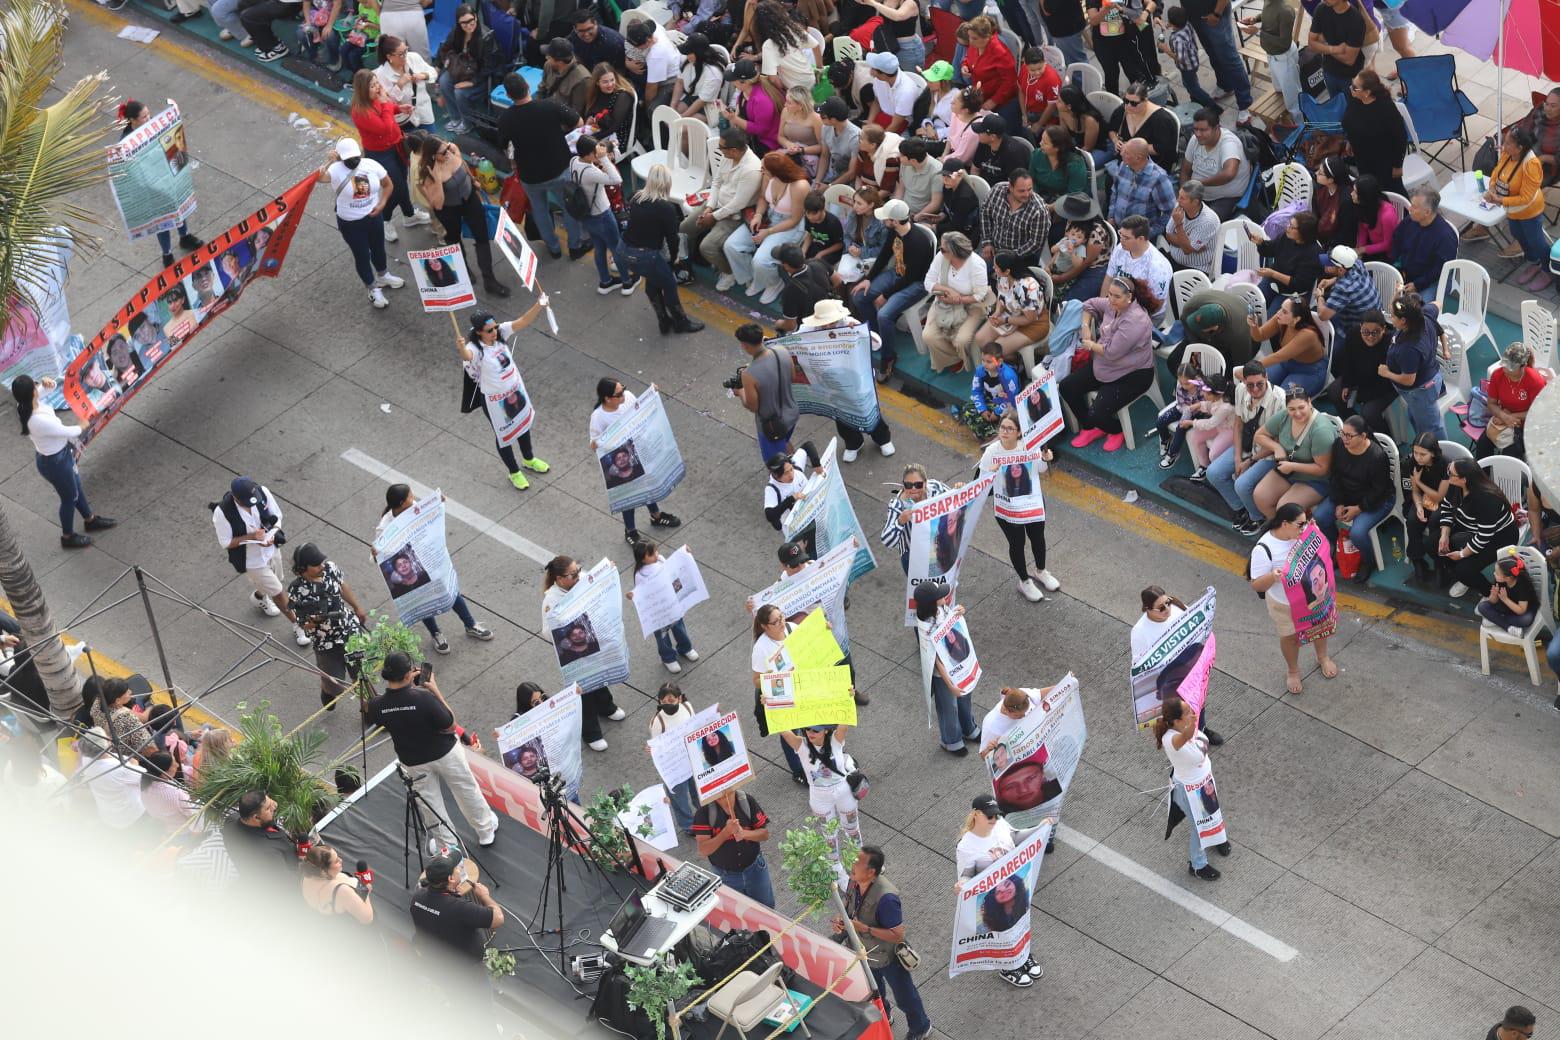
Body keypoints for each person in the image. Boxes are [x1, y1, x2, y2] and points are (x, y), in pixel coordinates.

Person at [366, 651, 499, 849]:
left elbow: (382, 720)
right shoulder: (424, 698)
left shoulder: (376, 705)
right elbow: (450, 723)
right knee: (465, 789)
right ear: (407, 675)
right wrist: (434, 689)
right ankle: (485, 829)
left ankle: (449, 846)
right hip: (444, 752)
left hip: (412, 760)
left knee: (430, 804)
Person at [374, 484, 494, 652]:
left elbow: (430, 515)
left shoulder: (414, 507)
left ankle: (470, 624)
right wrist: (377, 552)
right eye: (410, 496)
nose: (413, 498)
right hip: (413, 570)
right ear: (401, 503)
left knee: (451, 592)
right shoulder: (384, 527)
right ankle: (436, 634)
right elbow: (380, 556)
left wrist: (438, 503)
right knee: (424, 600)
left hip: (430, 561)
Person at [836, 846, 932, 1040]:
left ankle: (921, 1027)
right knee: (875, 991)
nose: (851, 865)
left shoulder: (887, 898)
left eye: (857, 862)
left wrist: (864, 928)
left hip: (888, 956)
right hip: (865, 952)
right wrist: (842, 921)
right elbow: (848, 906)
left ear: (871, 871)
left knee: (905, 997)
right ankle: (884, 1015)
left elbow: (897, 935)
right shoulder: (854, 883)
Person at [455, 306, 553, 489]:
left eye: (495, 327)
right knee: (504, 435)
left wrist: (539, 305)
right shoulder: (475, 349)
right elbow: (467, 356)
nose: (494, 332)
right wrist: (461, 348)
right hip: (496, 402)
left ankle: (529, 459)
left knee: (523, 425)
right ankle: (514, 472)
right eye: (489, 330)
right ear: (478, 332)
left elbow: (523, 320)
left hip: (516, 392)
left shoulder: (500, 333)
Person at [11, 375, 114, 549]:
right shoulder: (37, 420)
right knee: (69, 498)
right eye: (35, 386)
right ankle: (68, 537)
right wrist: (82, 425)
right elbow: (66, 431)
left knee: (77, 488)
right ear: (32, 393)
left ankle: (90, 519)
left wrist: (48, 386)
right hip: (56, 463)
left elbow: (43, 393)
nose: (38, 387)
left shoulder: (26, 405)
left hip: (60, 457)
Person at [956, 794, 1046, 987]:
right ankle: (1008, 966)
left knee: (1020, 922)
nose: (994, 820)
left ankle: (1023, 956)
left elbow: (1015, 837)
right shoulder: (966, 846)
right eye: (989, 816)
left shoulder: (1000, 825)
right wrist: (962, 883)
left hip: (1013, 886)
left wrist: (1040, 828)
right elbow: (967, 873)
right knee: (1002, 930)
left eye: (996, 815)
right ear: (976, 815)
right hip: (993, 896)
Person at [1249, 502, 1338, 693]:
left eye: (1306, 523)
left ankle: (1322, 656)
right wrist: (1273, 576)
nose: (1304, 528)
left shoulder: (1303, 534)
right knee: (1289, 638)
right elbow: (1256, 584)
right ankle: (1293, 671)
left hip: (1312, 597)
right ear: (1284, 524)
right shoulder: (1264, 549)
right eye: (1300, 524)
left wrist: (1313, 531)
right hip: (1284, 604)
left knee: (1320, 626)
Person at [496, 72, 585, 262]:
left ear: (509, 95)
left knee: (540, 210)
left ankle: (553, 248)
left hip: (530, 174)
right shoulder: (549, 105)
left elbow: (505, 145)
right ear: (528, 86)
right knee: (569, 207)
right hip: (559, 168)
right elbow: (579, 122)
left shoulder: (505, 118)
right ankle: (575, 245)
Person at [794, 301, 899, 461]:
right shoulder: (807, 330)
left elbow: (877, 344)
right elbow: (792, 342)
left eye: (832, 322)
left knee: (867, 410)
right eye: (824, 323)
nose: (829, 325)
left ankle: (883, 439)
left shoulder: (849, 323)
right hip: (829, 382)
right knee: (841, 415)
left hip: (856, 380)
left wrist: (858, 332)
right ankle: (853, 444)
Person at [542, 555, 626, 751]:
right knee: (584, 692)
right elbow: (547, 631)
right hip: (573, 655)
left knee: (599, 677)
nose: (578, 576)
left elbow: (598, 580)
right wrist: (566, 624)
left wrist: (608, 571)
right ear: (559, 578)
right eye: (573, 574)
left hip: (592, 644)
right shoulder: (551, 600)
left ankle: (606, 707)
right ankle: (590, 733)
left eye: (578, 570)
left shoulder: (581, 580)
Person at [1064, 275, 1158, 453]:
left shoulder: (1135, 320)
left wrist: (1090, 344)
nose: (1111, 300)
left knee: (1098, 411)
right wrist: (1085, 327)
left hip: (1133, 374)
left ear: (1129, 297)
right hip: (1104, 365)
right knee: (1068, 387)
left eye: (1116, 296)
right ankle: (1091, 426)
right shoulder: (1112, 304)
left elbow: (1112, 353)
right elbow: (1089, 304)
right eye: (1109, 295)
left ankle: (1116, 430)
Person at [211, 476, 307, 645]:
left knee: (278, 580)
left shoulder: (263, 492)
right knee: (278, 591)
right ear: (235, 498)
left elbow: (277, 516)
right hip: (252, 561)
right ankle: (298, 625)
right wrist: (252, 537)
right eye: (247, 502)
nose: (252, 505)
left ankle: (259, 597)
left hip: (271, 549)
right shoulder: (222, 512)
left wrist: (270, 535)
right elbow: (226, 542)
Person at [848, 198, 934, 382]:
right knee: (859, 296)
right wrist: (868, 280)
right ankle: (879, 334)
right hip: (897, 274)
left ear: (895, 221)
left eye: (886, 219)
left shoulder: (919, 242)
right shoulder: (893, 232)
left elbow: (911, 277)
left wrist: (885, 295)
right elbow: (884, 256)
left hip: (915, 284)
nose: (883, 221)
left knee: (884, 314)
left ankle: (888, 358)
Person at [415, 135, 511, 297]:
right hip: (448, 209)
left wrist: (473, 180)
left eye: (447, 147)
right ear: (433, 156)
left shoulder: (451, 151)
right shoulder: (428, 173)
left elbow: (463, 164)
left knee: (482, 238)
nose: (448, 152)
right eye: (443, 152)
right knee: (454, 239)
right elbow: (437, 204)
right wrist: (438, 180)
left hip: (469, 199)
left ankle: (489, 280)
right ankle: (464, 269)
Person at [317, 138, 406, 310]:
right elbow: (318, 177)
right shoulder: (335, 170)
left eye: (355, 157)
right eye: (348, 159)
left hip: (373, 217)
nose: (353, 161)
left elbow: (387, 184)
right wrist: (329, 161)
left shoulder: (371, 164)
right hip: (351, 223)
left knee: (379, 248)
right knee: (362, 254)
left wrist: (382, 203)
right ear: (341, 158)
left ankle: (383, 275)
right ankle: (372, 288)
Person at [979, 413, 1059, 601]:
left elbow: (1040, 469)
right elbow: (981, 485)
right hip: (1007, 507)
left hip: (1031, 502)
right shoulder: (992, 452)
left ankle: (1041, 571)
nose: (1004, 432)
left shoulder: (1029, 446)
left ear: (1019, 433)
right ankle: (1024, 581)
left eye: (1009, 429)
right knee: (1017, 543)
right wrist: (989, 473)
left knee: (1037, 537)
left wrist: (1046, 458)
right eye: (1002, 427)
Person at [590, 380, 682, 539]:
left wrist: (652, 395)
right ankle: (630, 531)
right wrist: (602, 441)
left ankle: (656, 515)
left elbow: (641, 410)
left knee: (647, 484)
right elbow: (593, 444)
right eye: (618, 394)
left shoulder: (629, 397)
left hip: (639, 452)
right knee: (629, 495)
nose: (623, 395)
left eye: (623, 389)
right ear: (607, 398)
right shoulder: (598, 417)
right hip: (621, 462)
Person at [118, 101, 204, 268]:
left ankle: (184, 236)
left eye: (149, 114)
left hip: (165, 177)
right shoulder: (125, 143)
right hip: (149, 186)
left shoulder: (153, 127)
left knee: (178, 207)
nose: (149, 118)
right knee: (162, 219)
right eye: (144, 117)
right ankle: (167, 253)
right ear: (132, 120)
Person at [622, 165, 706, 334]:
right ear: (667, 183)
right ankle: (680, 323)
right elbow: (672, 238)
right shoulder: (665, 208)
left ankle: (664, 321)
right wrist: (674, 258)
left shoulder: (635, 197)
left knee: (653, 281)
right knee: (668, 284)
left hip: (625, 250)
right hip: (646, 255)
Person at [1153, 695, 1231, 879]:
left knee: (1213, 813)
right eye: (1188, 712)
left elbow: (1192, 734)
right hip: (1190, 791)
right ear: (1177, 720)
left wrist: (1191, 718)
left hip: (1204, 782)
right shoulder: (1171, 740)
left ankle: (1218, 838)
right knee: (1200, 827)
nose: (1193, 713)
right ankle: (1197, 865)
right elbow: (1187, 736)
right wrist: (1192, 723)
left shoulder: (1186, 726)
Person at [350, 71, 430, 245]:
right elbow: (384, 127)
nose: (377, 87)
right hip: (380, 153)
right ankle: (384, 219)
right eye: (372, 86)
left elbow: (387, 109)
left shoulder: (376, 98)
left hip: (396, 145)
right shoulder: (360, 112)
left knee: (401, 181)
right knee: (395, 188)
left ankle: (409, 215)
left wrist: (398, 108)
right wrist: (387, 104)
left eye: (377, 83)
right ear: (363, 89)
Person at [284, 542, 367, 708]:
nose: (322, 566)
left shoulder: (330, 568)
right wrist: (314, 621)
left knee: (360, 674)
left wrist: (358, 608)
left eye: (322, 562)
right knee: (335, 684)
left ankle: (368, 708)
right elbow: (302, 624)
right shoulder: (296, 590)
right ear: (303, 568)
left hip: (348, 631)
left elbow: (343, 587)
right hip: (326, 643)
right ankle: (327, 689)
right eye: (316, 565)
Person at [683, 128, 764, 289]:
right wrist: (709, 208)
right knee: (685, 228)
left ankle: (728, 273)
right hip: (715, 205)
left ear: (733, 150)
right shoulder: (728, 156)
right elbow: (716, 182)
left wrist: (713, 216)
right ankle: (686, 262)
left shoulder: (751, 169)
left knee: (708, 247)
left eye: (721, 147)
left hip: (734, 215)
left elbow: (738, 204)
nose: (719, 150)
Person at [1314, 416, 1392, 583]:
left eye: (1349, 436)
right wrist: (1339, 502)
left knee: (1357, 532)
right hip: (1347, 495)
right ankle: (1335, 546)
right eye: (1343, 434)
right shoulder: (1339, 446)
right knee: (1320, 517)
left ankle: (1367, 561)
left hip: (1375, 501)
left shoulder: (1377, 457)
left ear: (1363, 436)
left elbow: (1380, 490)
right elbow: (1335, 476)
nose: (1344, 439)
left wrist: (1359, 508)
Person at [725, 151, 811, 302]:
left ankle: (774, 283)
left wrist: (768, 232)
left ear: (777, 172)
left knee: (761, 260)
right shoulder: (768, 176)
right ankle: (754, 278)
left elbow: (795, 219)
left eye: (765, 169)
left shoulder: (800, 186)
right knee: (731, 245)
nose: (761, 171)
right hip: (768, 217)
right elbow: (763, 198)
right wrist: (758, 215)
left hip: (789, 225)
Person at [1250, 384, 1341, 520]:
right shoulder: (1285, 416)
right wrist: (1277, 448)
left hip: (1315, 479)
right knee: (1260, 496)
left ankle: (1296, 534)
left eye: (1301, 407)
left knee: (1285, 508)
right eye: (1291, 409)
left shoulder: (1321, 430)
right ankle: (1282, 530)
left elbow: (1322, 469)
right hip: (1289, 471)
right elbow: (1259, 435)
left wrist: (1292, 466)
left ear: (1309, 403)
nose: (1297, 413)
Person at [913, 582, 981, 752]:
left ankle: (968, 728)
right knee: (948, 707)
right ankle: (951, 740)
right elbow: (936, 660)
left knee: (964, 697)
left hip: (956, 663)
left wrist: (960, 612)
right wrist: (950, 684)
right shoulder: (925, 626)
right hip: (941, 674)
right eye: (940, 596)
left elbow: (950, 616)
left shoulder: (940, 608)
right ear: (931, 602)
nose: (945, 596)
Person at [1438, 459, 1519, 598]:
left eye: (1450, 473)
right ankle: (1467, 579)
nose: (1447, 475)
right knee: (1444, 546)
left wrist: (1462, 554)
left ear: (1464, 479)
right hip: (1475, 530)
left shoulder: (1487, 499)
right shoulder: (1455, 485)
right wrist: (1444, 535)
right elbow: (1446, 507)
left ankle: (1490, 593)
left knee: (1463, 569)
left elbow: (1484, 536)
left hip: (1500, 538)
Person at [1488, 127, 1552, 290]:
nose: (1504, 145)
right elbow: (1496, 172)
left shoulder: (1531, 165)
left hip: (1529, 211)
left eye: (1508, 143)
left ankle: (1547, 271)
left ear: (1520, 147)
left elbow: (1526, 198)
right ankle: (1534, 262)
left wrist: (1500, 199)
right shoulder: (1508, 154)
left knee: (1536, 242)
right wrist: (1492, 187)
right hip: (1512, 209)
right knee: (1518, 235)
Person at [693, 787, 778, 907]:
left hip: (755, 870)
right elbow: (703, 850)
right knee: (738, 917)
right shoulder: (704, 812)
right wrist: (725, 833)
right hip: (725, 876)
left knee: (767, 909)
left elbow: (764, 834)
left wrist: (744, 834)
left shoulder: (746, 801)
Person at [1378, 290, 1445, 441]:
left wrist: (1387, 373)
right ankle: (1423, 448)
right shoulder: (1423, 316)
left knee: (1431, 429)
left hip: (1420, 391)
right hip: (1421, 388)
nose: (1391, 316)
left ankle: (1440, 455)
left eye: (1394, 315)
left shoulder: (1410, 349)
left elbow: (1409, 380)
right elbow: (1438, 304)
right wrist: (1397, 296)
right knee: (1417, 419)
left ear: (1403, 321)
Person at [410, 852, 504, 959]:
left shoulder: (417, 897)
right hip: (463, 966)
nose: (459, 870)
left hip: (432, 956)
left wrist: (452, 893)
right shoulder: (460, 908)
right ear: (451, 878)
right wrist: (484, 896)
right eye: (456, 868)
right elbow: (498, 918)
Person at [922, 231, 990, 372]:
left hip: (971, 306)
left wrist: (957, 299)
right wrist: (946, 290)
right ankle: (953, 357)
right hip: (943, 304)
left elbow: (980, 295)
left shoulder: (976, 264)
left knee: (961, 340)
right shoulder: (941, 257)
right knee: (928, 336)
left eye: (943, 249)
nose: (940, 251)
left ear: (954, 252)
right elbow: (928, 282)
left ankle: (959, 354)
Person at [627, 540, 700, 673]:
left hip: (671, 605)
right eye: (652, 553)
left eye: (656, 550)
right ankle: (668, 658)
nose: (656, 554)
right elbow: (641, 592)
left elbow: (674, 570)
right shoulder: (640, 574)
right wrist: (634, 596)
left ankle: (685, 648)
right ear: (643, 558)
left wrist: (685, 553)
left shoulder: (661, 560)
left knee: (679, 628)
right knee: (662, 635)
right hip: (658, 611)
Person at [733, 323, 803, 462]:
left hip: (773, 427)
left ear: (745, 345)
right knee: (784, 443)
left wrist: (739, 392)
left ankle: (789, 479)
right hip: (792, 414)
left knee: (775, 465)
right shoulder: (781, 350)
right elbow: (793, 377)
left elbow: (753, 406)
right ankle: (794, 466)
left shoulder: (749, 374)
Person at [433, 5, 502, 133]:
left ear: (476, 17)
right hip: (461, 68)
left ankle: (467, 122)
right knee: (443, 81)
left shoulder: (486, 37)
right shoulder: (456, 31)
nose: (469, 26)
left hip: (479, 76)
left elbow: (490, 66)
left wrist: (472, 81)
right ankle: (456, 117)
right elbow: (444, 48)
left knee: (460, 92)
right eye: (464, 23)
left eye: (471, 21)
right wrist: (437, 66)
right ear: (458, 23)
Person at [1247, 294, 1329, 398]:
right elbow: (1260, 336)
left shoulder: (1308, 335)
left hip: (1309, 371)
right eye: (1281, 308)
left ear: (1296, 319)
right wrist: (1253, 326)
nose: (1279, 313)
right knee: (1258, 385)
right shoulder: (1282, 319)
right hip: (1287, 363)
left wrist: (1249, 369)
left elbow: (1278, 356)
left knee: (1281, 399)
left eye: (1284, 312)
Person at [1329, 309, 1396, 436]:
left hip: (1384, 386)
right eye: (1365, 332)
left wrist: (1362, 395)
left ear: (1384, 329)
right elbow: (1348, 360)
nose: (1370, 336)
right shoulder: (1353, 334)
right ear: (1360, 327)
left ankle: (1387, 441)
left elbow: (1386, 380)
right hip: (1360, 377)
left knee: (1369, 412)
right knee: (1334, 391)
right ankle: (1357, 427)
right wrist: (1347, 384)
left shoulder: (1391, 343)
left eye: (1375, 332)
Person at [1341, 69, 1407, 194]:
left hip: (1383, 162)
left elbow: (1400, 137)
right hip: (1362, 158)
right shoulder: (1355, 100)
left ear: (1367, 92)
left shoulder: (1385, 108)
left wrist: (1398, 166)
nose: (1351, 88)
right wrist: (1350, 140)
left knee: (1391, 192)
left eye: (1355, 87)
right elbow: (1350, 123)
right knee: (1369, 191)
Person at [1478, 343, 1548, 460]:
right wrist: (1503, 416)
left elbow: (1537, 413)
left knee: (1511, 454)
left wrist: (1508, 416)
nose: (1505, 369)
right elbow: (1491, 403)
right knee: (1482, 444)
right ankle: (1482, 476)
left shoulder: (1535, 381)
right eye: (1504, 364)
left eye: (1510, 367)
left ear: (1523, 366)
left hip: (1527, 426)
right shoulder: (1497, 375)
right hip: (1503, 420)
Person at [647, 682, 699, 837]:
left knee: (698, 789)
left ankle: (705, 813)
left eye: (671, 701)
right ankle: (688, 825)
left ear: (680, 698)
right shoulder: (657, 722)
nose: (667, 704)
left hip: (691, 758)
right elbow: (658, 746)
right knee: (679, 798)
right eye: (664, 702)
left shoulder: (688, 708)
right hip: (674, 766)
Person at [1181, 108, 1252, 220]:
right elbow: (1185, 169)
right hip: (1197, 193)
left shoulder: (1229, 144)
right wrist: (1184, 190)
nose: (1198, 134)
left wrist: (1198, 184)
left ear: (1217, 128)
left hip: (1224, 197)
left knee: (1206, 223)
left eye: (1203, 130)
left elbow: (1229, 174)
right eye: (1196, 129)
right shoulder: (1195, 140)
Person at [1239, 0, 1300, 124]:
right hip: (1272, 55)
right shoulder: (1269, 2)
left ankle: (1302, 129)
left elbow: (1284, 43)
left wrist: (1258, 32)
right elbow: (1267, 14)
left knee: (1294, 102)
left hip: (1283, 59)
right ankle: (1287, 122)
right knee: (1280, 91)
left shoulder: (1285, 11)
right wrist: (1255, 19)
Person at [881, 463, 950, 573]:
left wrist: (959, 489)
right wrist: (900, 521)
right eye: (908, 485)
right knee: (923, 589)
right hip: (914, 557)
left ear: (925, 483)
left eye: (918, 485)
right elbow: (887, 540)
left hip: (939, 548)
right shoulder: (898, 505)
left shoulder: (936, 488)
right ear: (903, 485)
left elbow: (956, 500)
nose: (913, 489)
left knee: (944, 583)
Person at [1106, 214, 1173, 323]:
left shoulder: (1158, 266)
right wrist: (1105, 310)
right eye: (1120, 234)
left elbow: (1156, 305)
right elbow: (1108, 279)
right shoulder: (1120, 249)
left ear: (1141, 239)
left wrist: (1125, 319)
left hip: (1146, 316)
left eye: (1126, 238)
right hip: (1120, 304)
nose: (1121, 239)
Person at [979, 170, 1050, 273]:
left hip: (1019, 258)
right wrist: (987, 242)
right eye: (1021, 191)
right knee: (974, 273)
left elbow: (1036, 243)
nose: (1027, 194)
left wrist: (1009, 257)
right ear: (1010, 187)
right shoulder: (997, 190)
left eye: (1029, 189)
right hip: (992, 249)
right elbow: (985, 212)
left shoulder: (1039, 210)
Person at [1402, 433, 1450, 585]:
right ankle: (1417, 561)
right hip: (1423, 500)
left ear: (1433, 453)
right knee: (1412, 520)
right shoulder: (1412, 463)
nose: (1418, 457)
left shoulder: (1444, 465)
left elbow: (1439, 497)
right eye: (1415, 453)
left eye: (1423, 454)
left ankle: (1439, 563)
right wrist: (1418, 506)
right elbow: (1415, 492)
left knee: (1436, 521)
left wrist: (1417, 480)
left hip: (1443, 502)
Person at [1391, 189, 1458, 296]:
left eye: (1414, 207)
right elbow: (1396, 241)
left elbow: (1440, 270)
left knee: (1416, 310)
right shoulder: (1410, 221)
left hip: (1432, 282)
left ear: (1427, 212)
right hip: (1405, 274)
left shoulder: (1446, 237)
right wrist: (1397, 268)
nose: (1409, 209)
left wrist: (1417, 285)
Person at [1106, 138, 1177, 237]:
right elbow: (1115, 191)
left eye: (1126, 153)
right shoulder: (1124, 166)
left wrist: (1149, 233)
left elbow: (1170, 211)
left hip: (1139, 240)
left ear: (1138, 158)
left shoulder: (1159, 178)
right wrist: (1111, 216)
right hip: (1118, 231)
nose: (1121, 154)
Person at [1106, 82, 1179, 174]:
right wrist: (1116, 141)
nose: (1128, 106)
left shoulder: (1162, 120)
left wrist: (1132, 148)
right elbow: (1111, 129)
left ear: (1145, 101)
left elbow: (1164, 149)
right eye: (1126, 101)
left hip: (1152, 164)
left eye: (1133, 103)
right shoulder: (1123, 110)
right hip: (1127, 159)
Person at [222, 790, 298, 877]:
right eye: (268, 808)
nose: (275, 806)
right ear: (256, 817)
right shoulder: (269, 853)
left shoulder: (231, 820)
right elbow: (287, 881)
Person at [1314, 245, 1381, 342]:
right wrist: (1331, 281)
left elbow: (1323, 315)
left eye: (1329, 264)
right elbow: (1347, 276)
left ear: (1341, 270)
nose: (1325, 265)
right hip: (1375, 314)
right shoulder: (1356, 263)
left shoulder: (1343, 289)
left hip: (1358, 331)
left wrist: (1319, 296)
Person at [1251, 211, 1324, 301]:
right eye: (1289, 224)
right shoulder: (1286, 237)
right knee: (1253, 302)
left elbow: (1298, 283)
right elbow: (1270, 249)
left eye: (1291, 227)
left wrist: (1273, 273)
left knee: (1273, 315)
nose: (1287, 228)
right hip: (1273, 281)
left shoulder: (1314, 253)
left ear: (1304, 232)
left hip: (1293, 294)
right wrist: (1261, 242)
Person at [961, 16, 1019, 126]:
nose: (970, 41)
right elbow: (968, 58)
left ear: (987, 37)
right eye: (969, 37)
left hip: (1002, 102)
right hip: (982, 96)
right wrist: (965, 66)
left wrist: (994, 101)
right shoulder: (975, 45)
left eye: (974, 38)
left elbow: (1010, 81)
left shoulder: (1000, 53)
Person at [718, 60, 783, 155]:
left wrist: (734, 119)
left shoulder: (762, 100)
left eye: (733, 79)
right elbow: (738, 119)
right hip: (750, 138)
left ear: (743, 82)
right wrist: (730, 115)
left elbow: (760, 130)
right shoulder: (743, 92)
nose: (731, 82)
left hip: (766, 145)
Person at [1160, 7, 1218, 109]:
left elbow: (1179, 58)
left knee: (1193, 88)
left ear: (1173, 23)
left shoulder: (1178, 40)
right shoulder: (1187, 24)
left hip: (1186, 66)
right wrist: (1172, 25)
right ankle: (1195, 102)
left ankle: (1212, 106)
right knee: (1190, 83)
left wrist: (1165, 49)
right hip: (1193, 60)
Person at [300, 844, 375, 924]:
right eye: (336, 861)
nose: (341, 860)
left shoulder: (306, 877)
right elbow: (367, 919)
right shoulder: (342, 891)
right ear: (323, 872)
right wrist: (365, 889)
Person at [1308, 0, 1367, 97]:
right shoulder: (1321, 9)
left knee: (1352, 107)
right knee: (1335, 104)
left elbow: (1349, 59)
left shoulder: (1356, 20)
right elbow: (1311, 43)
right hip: (1328, 71)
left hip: (1351, 77)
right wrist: (1335, 49)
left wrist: (1323, 45)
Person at [1163, 181, 1222, 274]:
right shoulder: (1179, 207)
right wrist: (1187, 244)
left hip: (1196, 269)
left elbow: (1187, 250)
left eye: (1182, 198)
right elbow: (1168, 235)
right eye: (1179, 196)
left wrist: (1179, 226)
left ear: (1195, 202)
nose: (1178, 200)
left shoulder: (1208, 221)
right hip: (1173, 260)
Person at [773, 245, 834, 333]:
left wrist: (778, 324)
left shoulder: (790, 291)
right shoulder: (817, 262)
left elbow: (790, 326)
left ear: (786, 266)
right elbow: (838, 281)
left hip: (809, 327)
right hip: (831, 313)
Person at [863, 51, 926, 136]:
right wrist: (869, 123)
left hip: (903, 125)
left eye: (873, 69)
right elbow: (877, 101)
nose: (870, 72)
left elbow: (896, 125)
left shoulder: (906, 91)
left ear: (884, 75)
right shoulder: (879, 78)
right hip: (884, 117)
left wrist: (880, 141)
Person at [1474, 554, 1538, 635]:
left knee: (1526, 620)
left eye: (1497, 573)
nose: (1494, 574)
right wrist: (1493, 595)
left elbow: (1521, 611)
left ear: (1507, 578)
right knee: (1482, 606)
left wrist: (1505, 599)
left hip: (1524, 609)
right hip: (1506, 607)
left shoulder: (1523, 585)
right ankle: (1507, 627)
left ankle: (1495, 619)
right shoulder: (1500, 580)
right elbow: (1493, 602)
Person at [1029, 126, 1090, 206]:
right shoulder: (1037, 155)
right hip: (1042, 197)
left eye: (1045, 143)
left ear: (1057, 148)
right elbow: (1031, 179)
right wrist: (1035, 198)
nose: (1040, 144)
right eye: (1041, 140)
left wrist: (1051, 207)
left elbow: (1074, 194)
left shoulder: (1075, 164)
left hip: (1069, 202)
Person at [673, 33, 726, 121]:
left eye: (689, 53)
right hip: (693, 96)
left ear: (699, 53)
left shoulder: (713, 73)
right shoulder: (688, 61)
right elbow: (680, 81)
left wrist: (681, 118)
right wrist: (673, 106)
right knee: (671, 117)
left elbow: (702, 101)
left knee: (684, 127)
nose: (687, 55)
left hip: (708, 105)